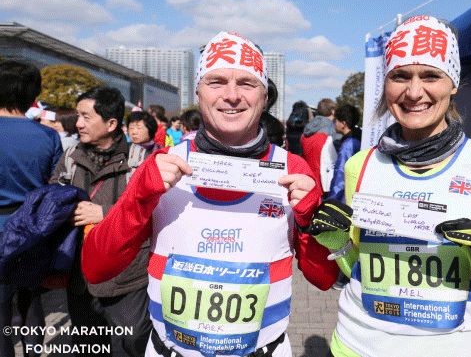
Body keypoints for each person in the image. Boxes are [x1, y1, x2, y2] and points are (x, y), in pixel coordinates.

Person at [81, 31, 339, 357]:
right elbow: (96, 269)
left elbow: (323, 279)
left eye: (246, 83)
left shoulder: (292, 168)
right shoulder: (164, 163)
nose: (232, 96)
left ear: (264, 95)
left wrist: (309, 225)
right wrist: (138, 198)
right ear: (199, 93)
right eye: (216, 82)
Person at [304, 16, 471, 357]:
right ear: (386, 84)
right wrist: (336, 240)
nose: (413, 92)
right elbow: (355, 268)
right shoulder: (360, 166)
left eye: (430, 75)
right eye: (400, 76)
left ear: (453, 82)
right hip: (354, 346)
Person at [50, 86, 153, 357]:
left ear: (111, 124)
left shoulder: (139, 161)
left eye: (85, 116)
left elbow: (154, 210)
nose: (78, 123)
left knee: (131, 342)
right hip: (80, 272)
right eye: (77, 116)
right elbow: (54, 195)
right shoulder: (71, 157)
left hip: (127, 275)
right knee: (88, 345)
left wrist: (105, 213)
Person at [0, 61, 63, 357]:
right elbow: (56, 188)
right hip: (32, 230)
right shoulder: (48, 136)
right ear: (32, 95)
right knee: (31, 300)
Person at [301, 98, 339, 196]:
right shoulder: (332, 129)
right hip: (326, 182)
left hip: (309, 179)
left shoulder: (307, 128)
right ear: (333, 111)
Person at [326, 104, 361, 203]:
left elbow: (341, 174)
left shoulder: (347, 145)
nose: (335, 124)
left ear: (343, 123)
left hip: (344, 198)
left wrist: (331, 200)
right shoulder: (358, 139)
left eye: (336, 121)